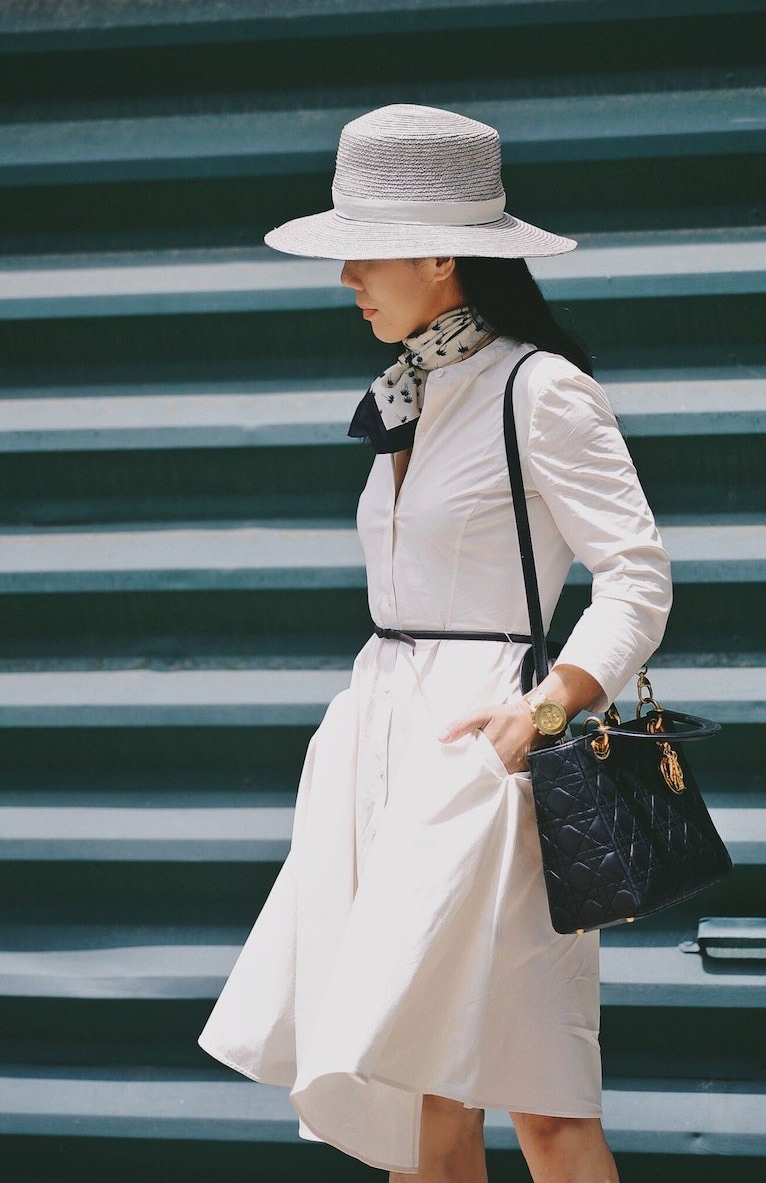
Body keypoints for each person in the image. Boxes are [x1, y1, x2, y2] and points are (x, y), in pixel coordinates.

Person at [197, 103, 673, 1181]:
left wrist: (544, 710)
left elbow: (638, 578)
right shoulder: (410, 389)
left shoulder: (540, 388)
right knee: (415, 1096)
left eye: (364, 252)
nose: (346, 277)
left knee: (544, 1096)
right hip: (381, 737)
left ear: (442, 253)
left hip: (491, 747)